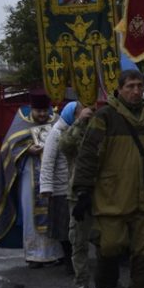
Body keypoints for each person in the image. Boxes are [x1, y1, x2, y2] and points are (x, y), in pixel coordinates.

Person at [72, 70, 144, 288]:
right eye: (130, 86)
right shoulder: (105, 117)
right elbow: (88, 154)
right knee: (109, 247)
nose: (136, 91)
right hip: (112, 197)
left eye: (139, 87)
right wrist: (82, 190)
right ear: (120, 89)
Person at [0, 92, 62, 265]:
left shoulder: (56, 120)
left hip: (54, 176)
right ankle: (34, 255)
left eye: (44, 111)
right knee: (31, 214)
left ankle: (55, 254)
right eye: (38, 111)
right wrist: (26, 150)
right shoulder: (20, 121)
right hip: (28, 174)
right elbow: (7, 147)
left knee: (55, 212)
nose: (42, 115)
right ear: (32, 109)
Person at [55, 101, 97, 288]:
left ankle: (109, 278)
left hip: (102, 192)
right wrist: (80, 122)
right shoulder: (72, 130)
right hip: (78, 194)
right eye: (80, 110)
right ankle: (82, 284)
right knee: (78, 241)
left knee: (107, 239)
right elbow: (64, 146)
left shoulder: (103, 127)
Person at [40, 101, 85, 275]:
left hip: (75, 185)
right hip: (60, 188)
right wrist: (46, 187)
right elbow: (48, 161)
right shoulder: (56, 133)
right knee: (64, 227)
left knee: (76, 226)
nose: (80, 116)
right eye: (78, 113)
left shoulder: (79, 132)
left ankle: (76, 259)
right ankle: (68, 261)